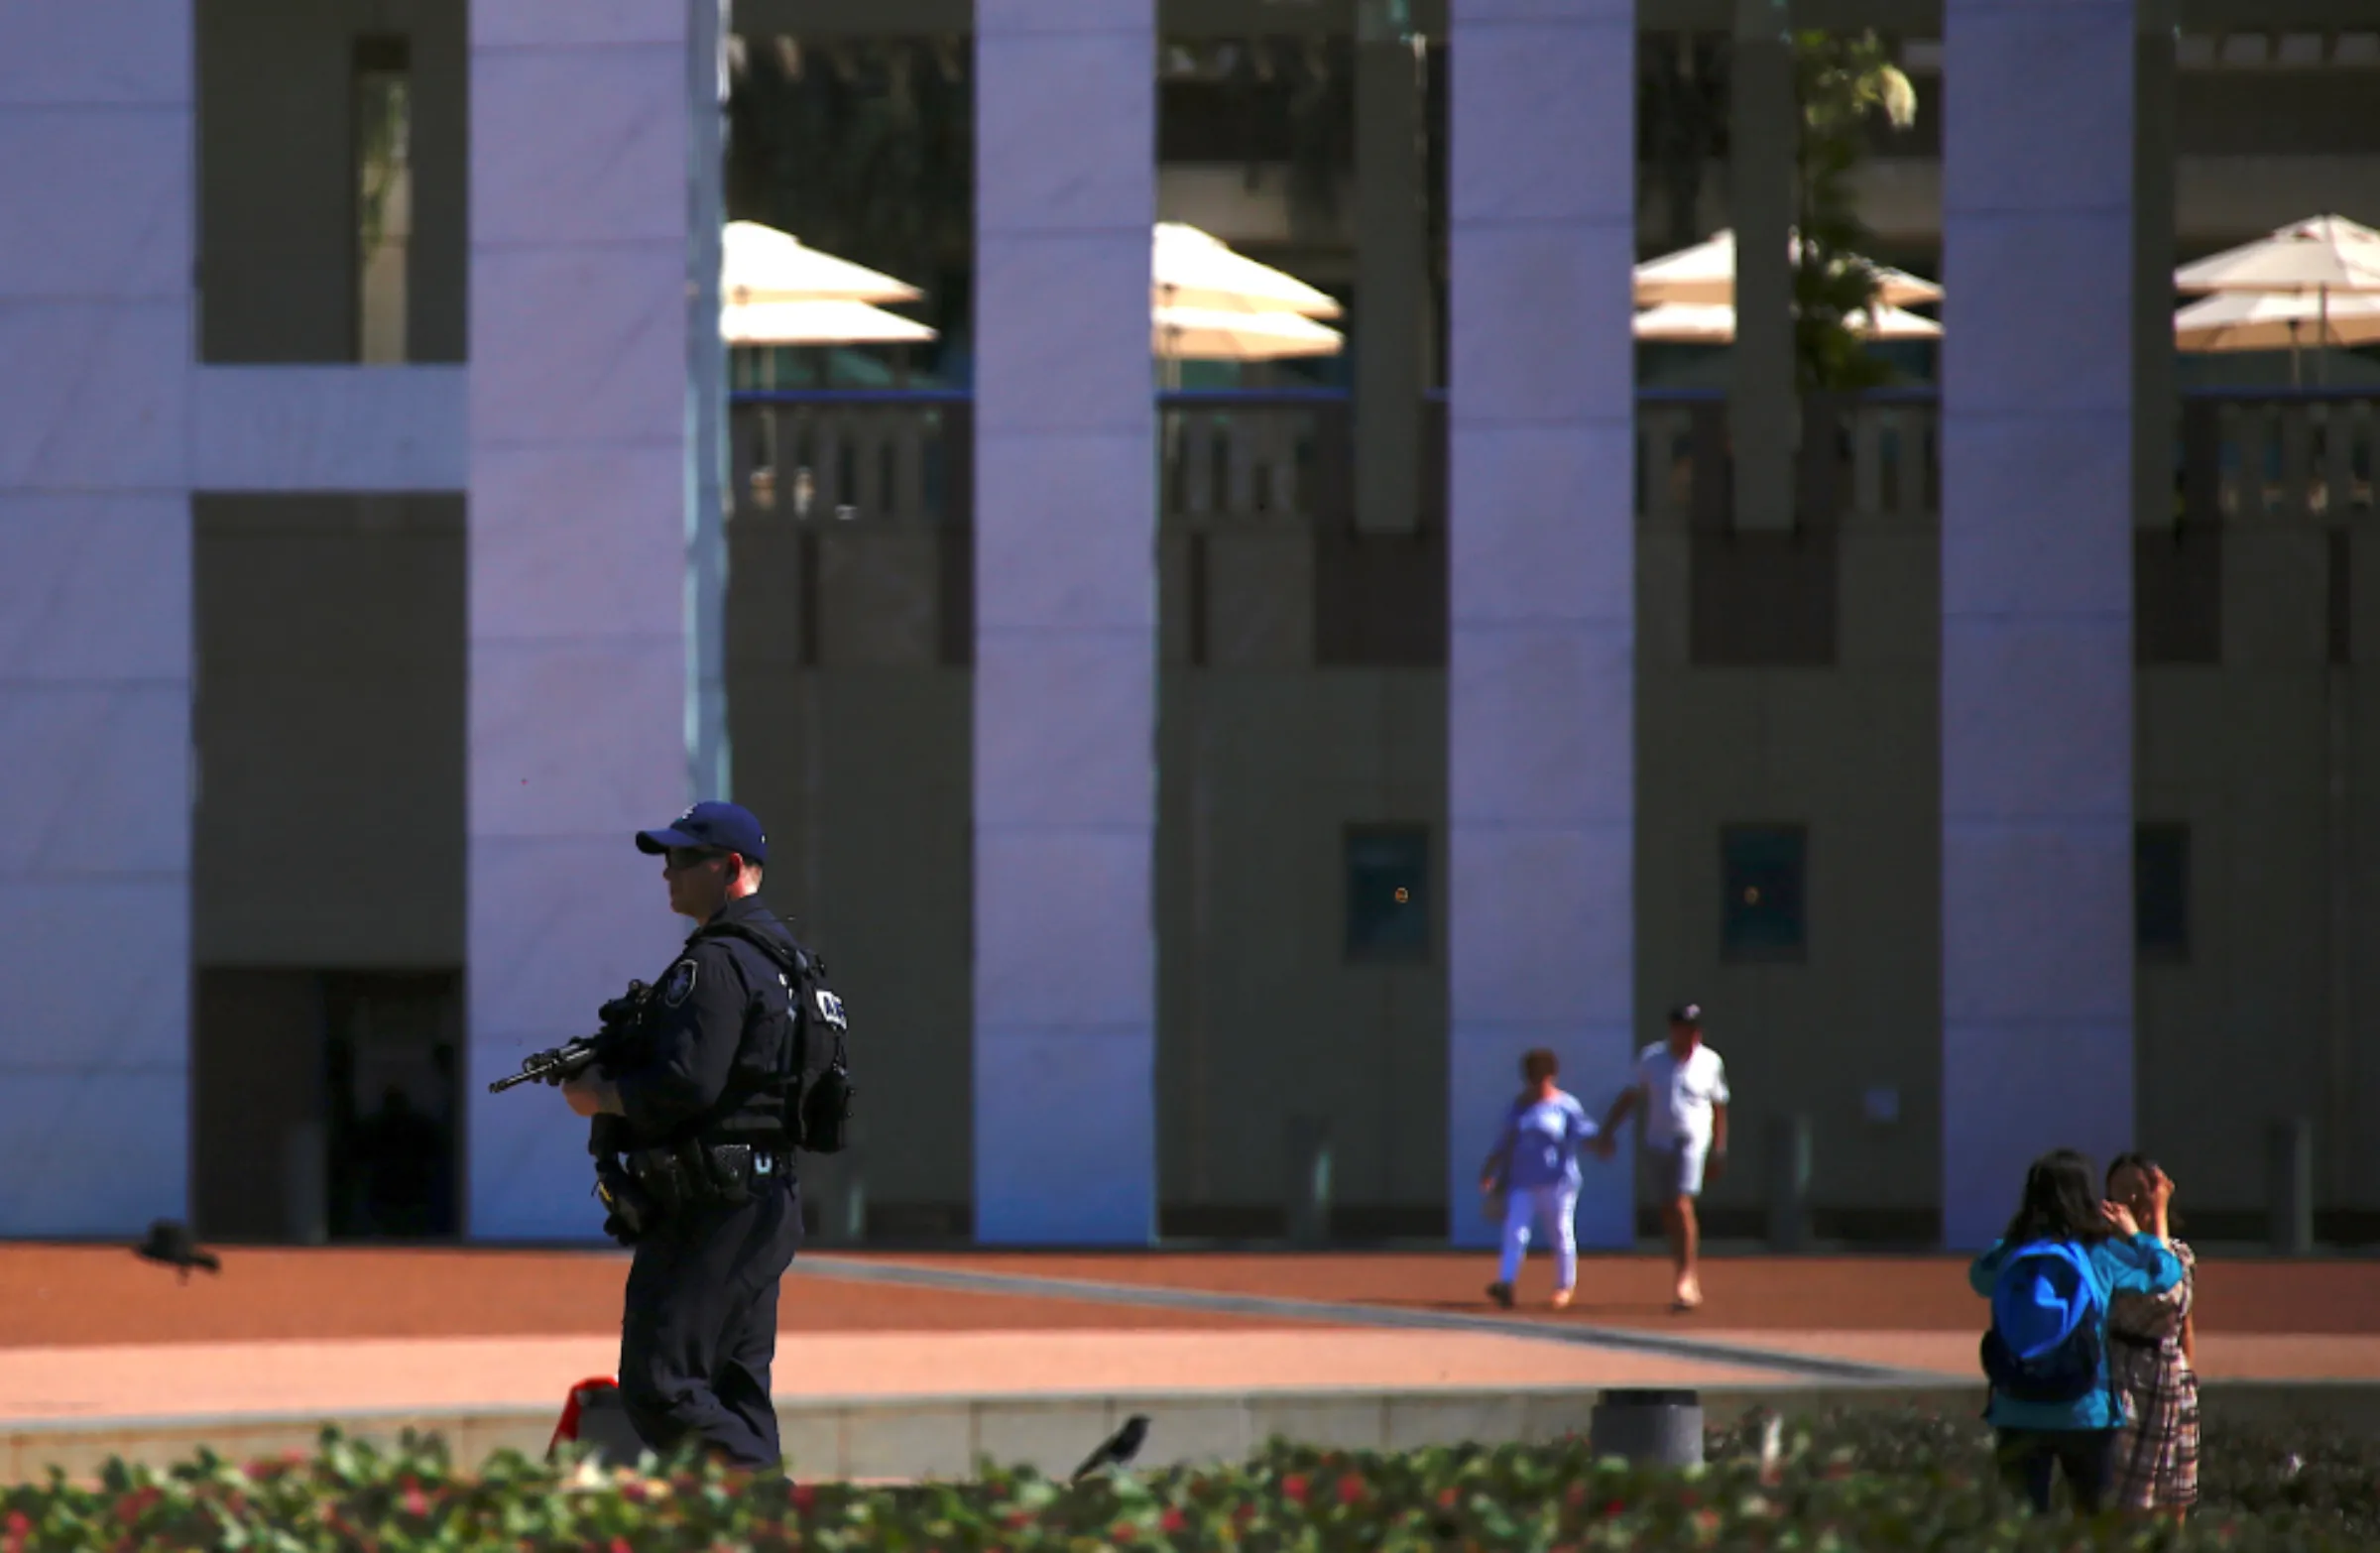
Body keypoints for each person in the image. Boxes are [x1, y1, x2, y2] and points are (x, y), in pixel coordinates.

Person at [560, 800, 809, 1471]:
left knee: (663, 1388)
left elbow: (685, 1086)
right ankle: (767, 1536)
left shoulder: (718, 964)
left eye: (680, 859)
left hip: (711, 1206)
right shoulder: (787, 961)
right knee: (734, 1390)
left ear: (729, 868)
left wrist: (598, 1095)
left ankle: (777, 1516)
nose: (666, 873)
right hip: (765, 1198)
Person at [1968, 1147, 2185, 1516]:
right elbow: (2165, 1273)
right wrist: (2134, 1234)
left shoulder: (2009, 1255)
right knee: (2090, 1522)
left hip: (2015, 1405)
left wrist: (2012, 1236)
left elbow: (1978, 1277)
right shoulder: (2102, 1254)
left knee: (2021, 1526)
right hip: (2086, 1407)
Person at [1594, 1003, 1729, 1311]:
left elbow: (1720, 1107)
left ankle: (1687, 1277)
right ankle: (1681, 1267)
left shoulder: (1710, 1061)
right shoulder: (1652, 1059)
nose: (1691, 1035)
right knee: (1668, 1208)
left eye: (1695, 1029)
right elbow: (1631, 1095)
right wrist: (1608, 1131)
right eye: (1684, 1029)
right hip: (1658, 1142)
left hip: (1692, 1140)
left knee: (1682, 1203)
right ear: (1673, 1030)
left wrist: (1719, 1150)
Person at [2104, 1152, 2199, 1517]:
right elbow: (2162, 1289)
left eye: (2141, 1191)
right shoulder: (2108, 1255)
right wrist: (2138, 1229)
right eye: (2121, 1191)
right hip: (2126, 1375)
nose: (2130, 1201)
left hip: (2171, 1380)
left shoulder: (2179, 1254)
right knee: (2125, 1499)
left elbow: (2182, 1318)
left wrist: (2189, 1377)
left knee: (2174, 1498)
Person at [1477, 1048, 1599, 1310]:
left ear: (1552, 1076)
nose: (1536, 1081)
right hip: (1522, 1180)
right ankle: (1506, 1284)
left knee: (1560, 1232)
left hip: (1558, 1182)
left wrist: (1599, 1142)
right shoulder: (1518, 1106)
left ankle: (1564, 1287)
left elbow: (1585, 1132)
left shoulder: (1565, 1105)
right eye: (1532, 1076)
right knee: (1515, 1232)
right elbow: (1504, 1141)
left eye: (1541, 1076)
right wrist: (1490, 1171)